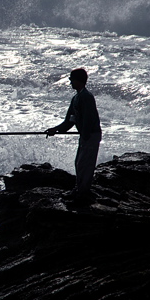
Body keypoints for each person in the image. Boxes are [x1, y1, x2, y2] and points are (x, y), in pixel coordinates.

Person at [45, 68, 102, 203]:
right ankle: (79, 189)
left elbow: (88, 118)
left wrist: (85, 136)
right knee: (79, 163)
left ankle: (83, 193)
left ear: (79, 80)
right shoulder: (76, 98)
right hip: (85, 136)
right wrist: (55, 130)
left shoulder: (87, 97)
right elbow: (69, 122)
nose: (70, 81)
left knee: (85, 164)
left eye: (72, 79)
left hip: (91, 135)